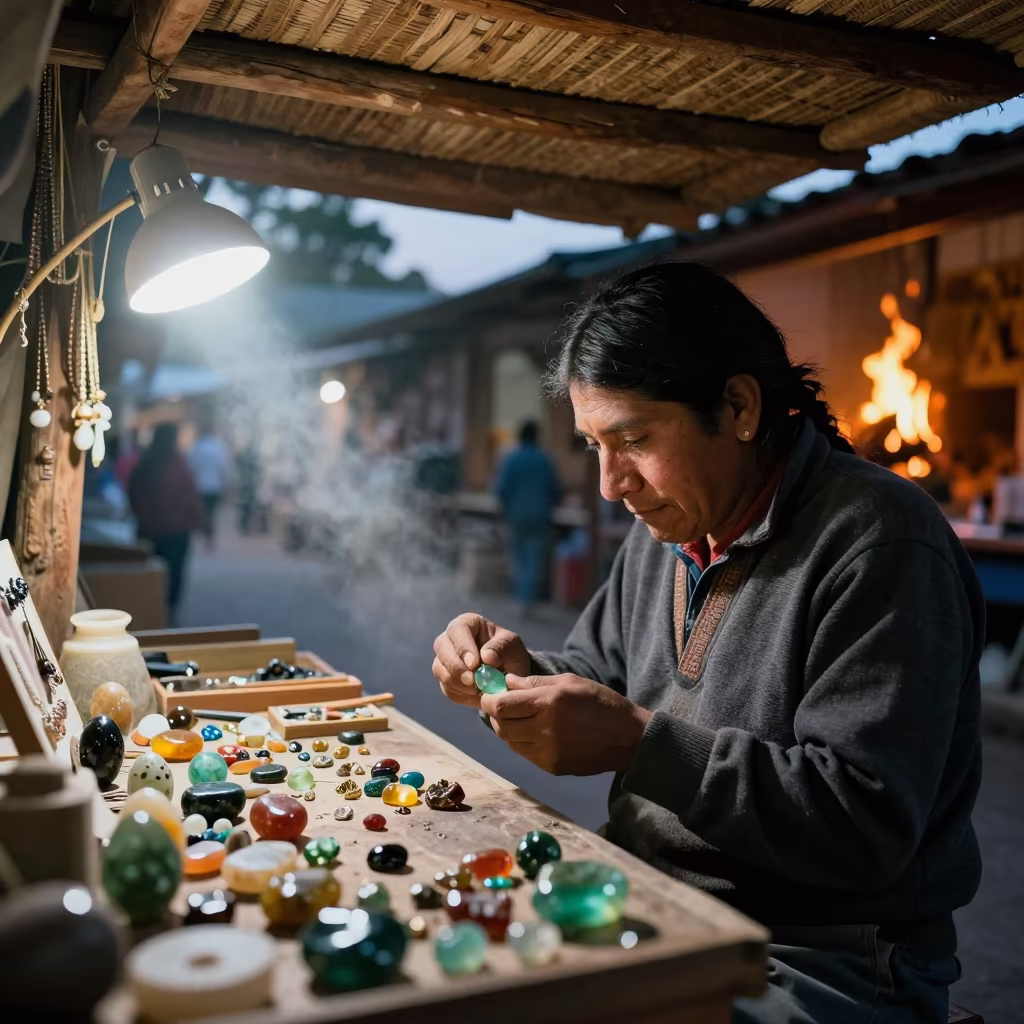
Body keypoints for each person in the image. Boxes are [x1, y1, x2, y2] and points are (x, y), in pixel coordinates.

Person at [433, 263, 982, 1024]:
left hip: (821, 952)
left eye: (633, 440)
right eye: (594, 445)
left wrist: (639, 742)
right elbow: (598, 674)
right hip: (651, 889)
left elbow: (866, 824)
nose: (609, 483)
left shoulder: (880, 542)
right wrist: (513, 673)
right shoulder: (665, 527)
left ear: (739, 406)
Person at [129, 422, 205, 620]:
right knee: (173, 575)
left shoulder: (147, 464)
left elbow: (134, 494)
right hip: (175, 532)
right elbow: (191, 496)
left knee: (152, 575)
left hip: (151, 529)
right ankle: (166, 612)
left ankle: (156, 611)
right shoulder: (178, 464)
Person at [494, 420, 561, 615]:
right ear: (536, 437)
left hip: (516, 517)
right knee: (534, 558)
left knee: (519, 558)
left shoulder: (511, 459)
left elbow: (501, 490)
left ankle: (521, 598)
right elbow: (556, 490)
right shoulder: (545, 460)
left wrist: (504, 511)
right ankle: (528, 599)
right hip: (540, 517)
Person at [187, 423, 233, 549]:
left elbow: (191, 466)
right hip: (214, 486)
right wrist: (226, 484)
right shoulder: (219, 448)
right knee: (211, 513)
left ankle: (205, 534)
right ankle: (209, 537)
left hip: (200, 485)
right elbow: (224, 468)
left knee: (203, 512)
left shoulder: (197, 447)